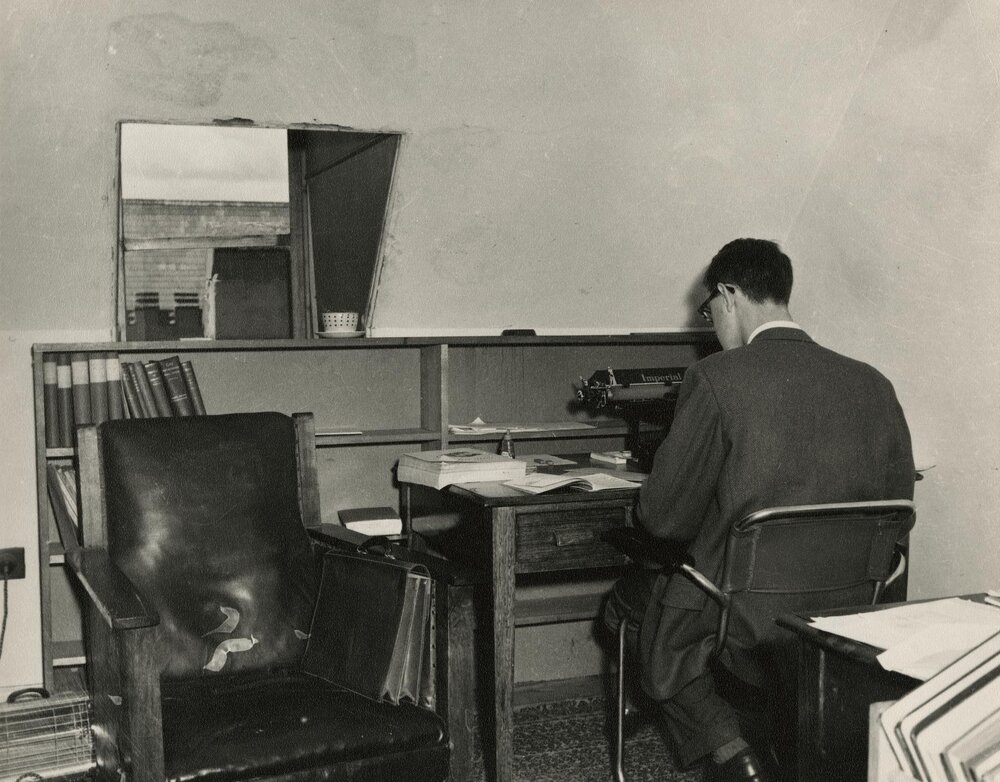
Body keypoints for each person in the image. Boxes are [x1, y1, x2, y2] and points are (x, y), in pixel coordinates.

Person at [603, 238, 915, 782]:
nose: (710, 327)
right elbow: (899, 514)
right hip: (850, 612)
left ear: (728, 295)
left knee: (626, 610)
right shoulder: (873, 382)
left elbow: (664, 519)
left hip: (744, 616)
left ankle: (732, 752)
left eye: (708, 312)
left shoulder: (717, 379)